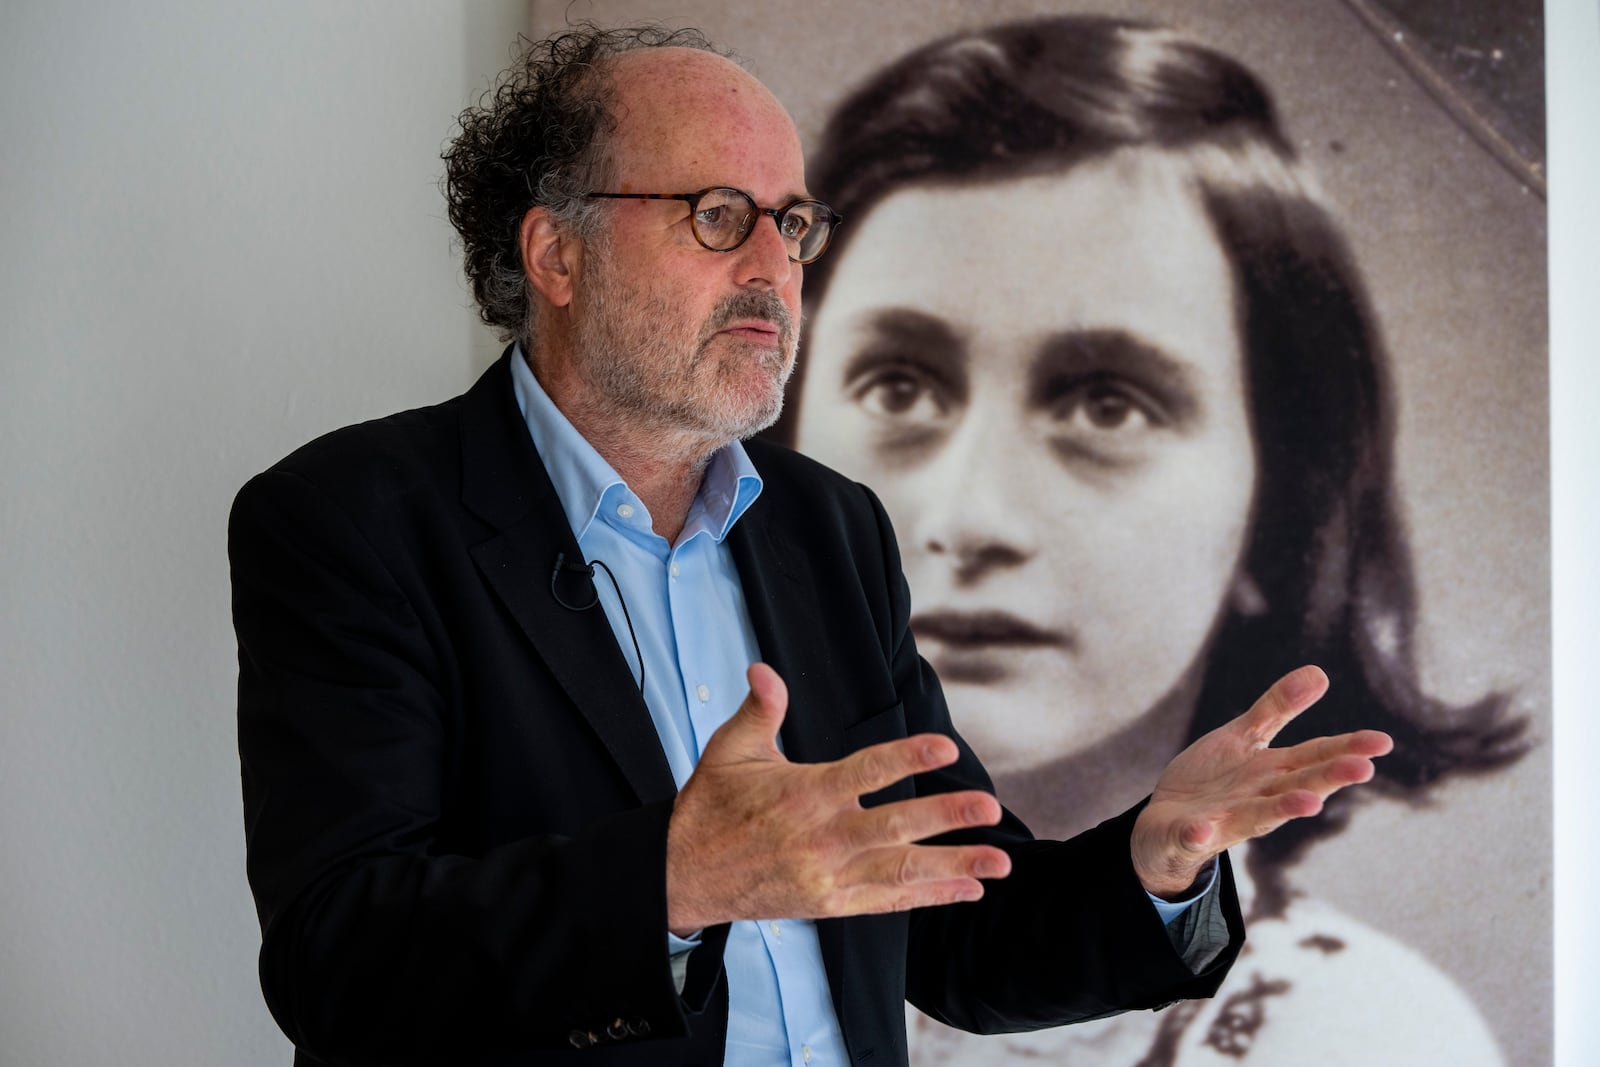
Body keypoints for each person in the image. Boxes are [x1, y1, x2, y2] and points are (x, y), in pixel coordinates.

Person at [229, 23, 1394, 1067]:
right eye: (717, 215)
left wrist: (1156, 854)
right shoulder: (357, 517)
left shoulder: (828, 530)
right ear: (556, 254)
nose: (771, 269)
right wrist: (675, 882)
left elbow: (957, 927)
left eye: (790, 222)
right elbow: (341, 958)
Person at [769, 16, 1527, 1066]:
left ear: (1279, 516)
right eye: (897, 386)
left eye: (1105, 405)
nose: (970, 515)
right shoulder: (659, 922)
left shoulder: (1350, 1034)